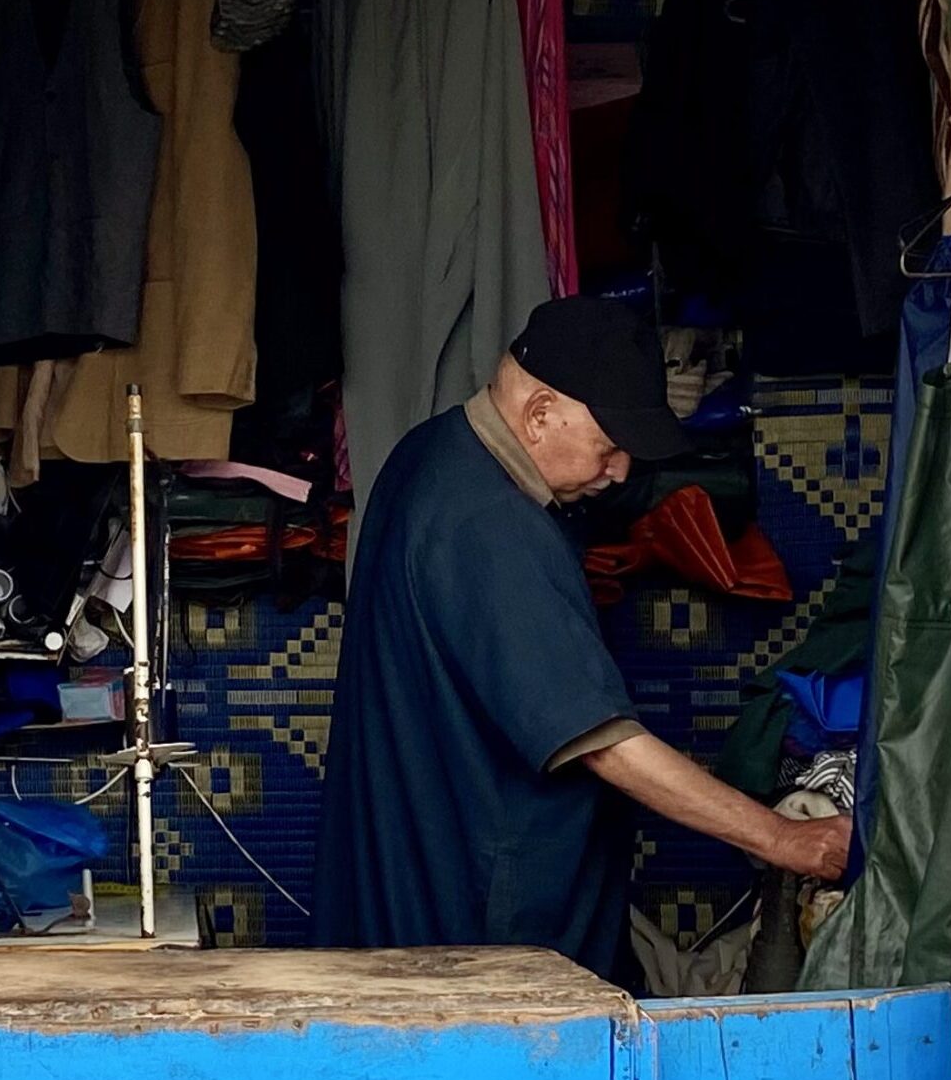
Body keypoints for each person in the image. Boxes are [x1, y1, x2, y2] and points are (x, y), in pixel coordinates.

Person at [312, 295, 852, 984]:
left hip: (417, 877)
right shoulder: (491, 526)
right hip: (486, 929)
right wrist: (782, 838)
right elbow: (604, 743)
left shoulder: (429, 452)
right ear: (540, 414)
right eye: (610, 446)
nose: (620, 471)